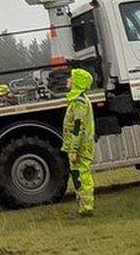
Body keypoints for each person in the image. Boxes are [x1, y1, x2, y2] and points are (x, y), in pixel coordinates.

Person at [61, 68, 95, 216]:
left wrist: (74, 148)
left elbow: (78, 126)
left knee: (82, 174)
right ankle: (82, 207)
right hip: (77, 146)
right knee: (77, 175)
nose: (68, 80)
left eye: (71, 78)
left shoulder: (79, 101)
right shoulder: (76, 100)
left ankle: (86, 207)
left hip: (80, 147)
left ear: (78, 82)